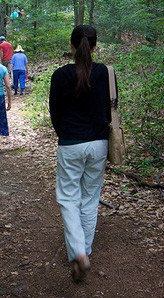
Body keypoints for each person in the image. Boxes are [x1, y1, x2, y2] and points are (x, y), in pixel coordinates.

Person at [49, 25, 115, 282]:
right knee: (90, 198)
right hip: (98, 143)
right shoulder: (106, 73)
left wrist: (64, 134)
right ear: (95, 46)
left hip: (70, 143)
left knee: (68, 199)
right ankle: (84, 250)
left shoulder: (60, 75)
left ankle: (78, 253)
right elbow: (110, 110)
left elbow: (55, 113)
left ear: (71, 45)